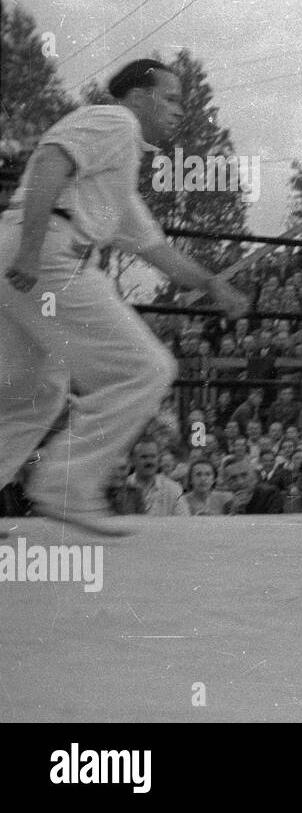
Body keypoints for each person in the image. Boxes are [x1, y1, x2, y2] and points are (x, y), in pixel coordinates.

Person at [0, 58, 248, 536]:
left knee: (34, 392)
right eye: (171, 98)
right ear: (137, 97)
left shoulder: (113, 180)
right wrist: (31, 251)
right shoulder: (116, 120)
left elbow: (157, 250)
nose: (180, 110)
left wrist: (213, 284)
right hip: (47, 254)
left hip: (23, 253)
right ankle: (66, 485)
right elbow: (52, 159)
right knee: (147, 369)